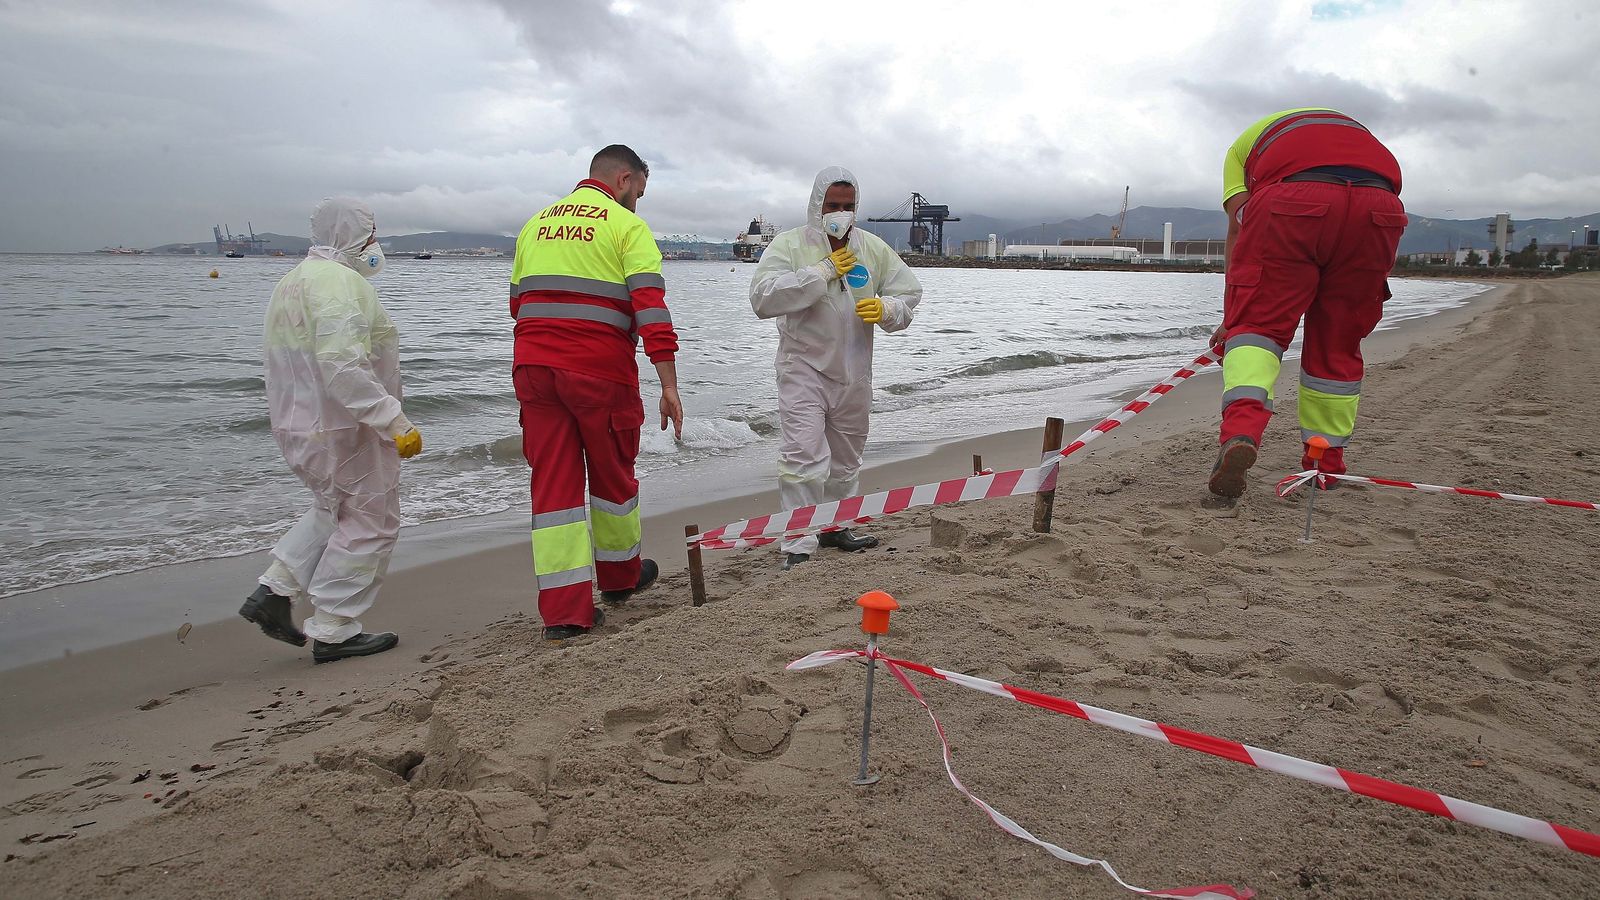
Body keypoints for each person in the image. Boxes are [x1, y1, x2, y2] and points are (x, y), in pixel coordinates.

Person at [510, 144, 683, 641]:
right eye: (640, 193)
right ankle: (620, 578)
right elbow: (651, 309)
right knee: (612, 476)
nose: (638, 203)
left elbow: (518, 303)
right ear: (625, 179)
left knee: (553, 490)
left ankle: (565, 613)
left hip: (534, 369)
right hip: (598, 372)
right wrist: (668, 385)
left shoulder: (535, 223)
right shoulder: (626, 227)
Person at [239, 197, 420, 663]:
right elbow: (342, 364)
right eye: (371, 231)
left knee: (332, 508)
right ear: (351, 233)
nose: (374, 242)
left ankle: (274, 591)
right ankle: (336, 627)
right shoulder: (339, 283)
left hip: (297, 422)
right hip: (344, 426)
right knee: (371, 522)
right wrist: (391, 419)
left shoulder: (293, 281)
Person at [1208, 108, 1408, 498]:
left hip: (1290, 202)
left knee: (1258, 332)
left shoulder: (1239, 150)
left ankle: (1241, 433)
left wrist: (1235, 316)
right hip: (1378, 207)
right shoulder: (1358, 134)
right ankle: (1324, 464)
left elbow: (1240, 225)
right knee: (1338, 344)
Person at [750, 166, 923, 569]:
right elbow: (762, 298)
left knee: (847, 457)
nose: (840, 213)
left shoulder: (872, 248)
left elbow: (909, 293)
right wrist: (822, 272)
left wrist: (888, 308)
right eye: (832, 205)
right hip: (803, 368)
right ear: (817, 205)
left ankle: (835, 525)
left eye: (847, 206)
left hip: (855, 371)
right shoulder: (789, 245)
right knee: (802, 457)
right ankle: (797, 543)